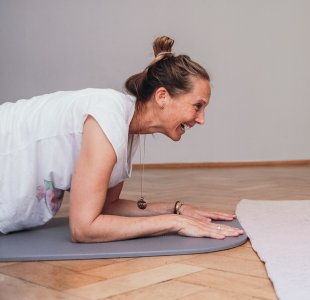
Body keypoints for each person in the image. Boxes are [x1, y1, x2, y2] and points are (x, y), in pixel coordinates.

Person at [0, 36, 244, 242]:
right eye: (197, 106)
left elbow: (107, 207)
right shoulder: (108, 115)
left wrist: (177, 208)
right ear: (162, 97)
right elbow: (83, 227)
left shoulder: (126, 126)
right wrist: (174, 222)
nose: (201, 119)